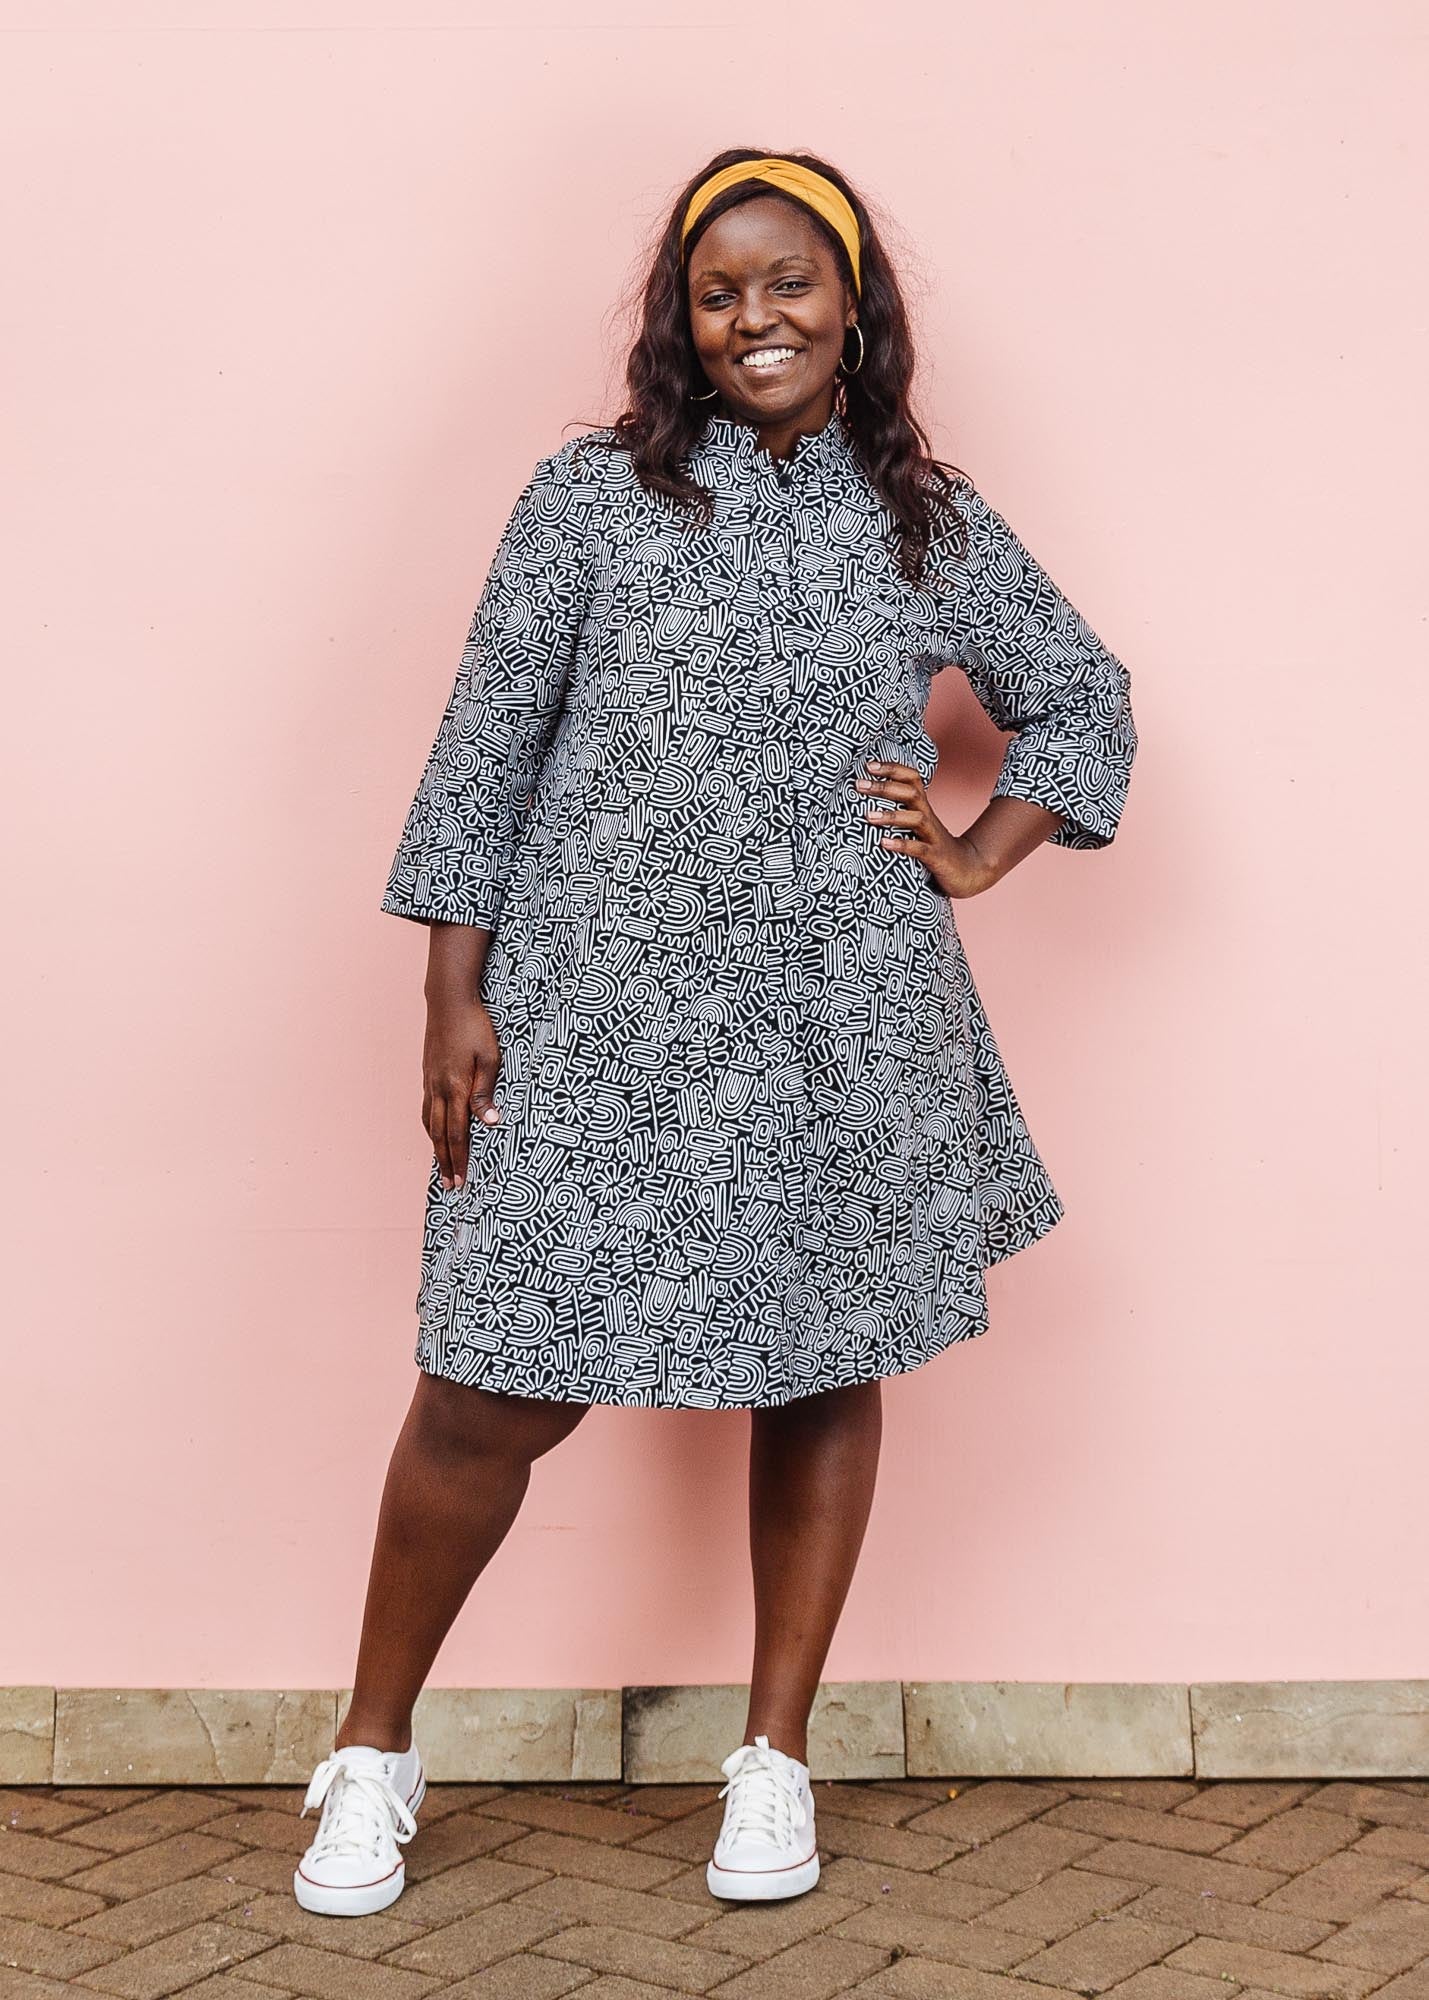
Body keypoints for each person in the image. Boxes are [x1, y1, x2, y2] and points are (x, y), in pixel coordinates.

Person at [293, 149, 1138, 1919]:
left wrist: (976, 852)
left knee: (826, 1360)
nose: (754, 317)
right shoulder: (589, 500)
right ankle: (369, 1757)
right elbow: (483, 751)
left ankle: (771, 1764)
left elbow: (1079, 697)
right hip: (593, 1013)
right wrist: (453, 993)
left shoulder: (923, 517)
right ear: (683, 322)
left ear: (852, 304)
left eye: (788, 283)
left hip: (843, 1010)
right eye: (717, 291)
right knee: (484, 1388)